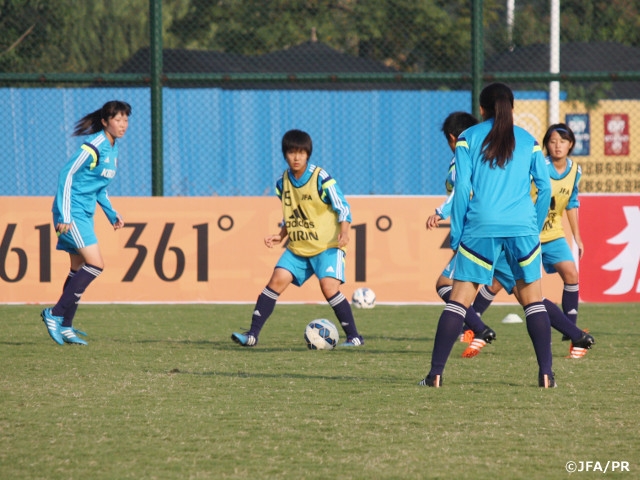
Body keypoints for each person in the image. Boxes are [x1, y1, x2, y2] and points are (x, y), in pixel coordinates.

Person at [419, 82, 556, 388]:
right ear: (512, 107)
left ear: (481, 110)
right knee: (532, 302)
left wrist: (457, 234)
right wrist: (533, 225)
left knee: (458, 301)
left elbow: (462, 188)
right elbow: (545, 187)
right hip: (522, 229)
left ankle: (435, 375)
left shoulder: (468, 138)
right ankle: (546, 374)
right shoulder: (529, 141)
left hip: (481, 226)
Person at [231, 129, 364, 347]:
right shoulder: (281, 183)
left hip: (327, 245)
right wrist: (281, 234)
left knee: (329, 287)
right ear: (285, 154)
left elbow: (343, 206)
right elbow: (293, 213)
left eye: (301, 153)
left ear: (308, 154)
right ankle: (252, 335)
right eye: (292, 152)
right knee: (276, 280)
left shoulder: (320, 177)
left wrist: (345, 231)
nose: (296, 157)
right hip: (298, 248)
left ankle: (354, 337)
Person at [470, 124, 588, 351]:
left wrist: (578, 237)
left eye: (562, 141)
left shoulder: (576, 171)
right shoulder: (538, 165)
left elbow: (572, 203)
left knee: (571, 273)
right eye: (552, 141)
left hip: (553, 235)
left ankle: (571, 332)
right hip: (524, 235)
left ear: (571, 144)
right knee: (498, 283)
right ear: (546, 144)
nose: (557, 146)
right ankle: (472, 323)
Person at [41, 101, 131, 346]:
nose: (123, 125)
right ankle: (55, 313)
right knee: (96, 265)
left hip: (84, 214)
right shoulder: (94, 146)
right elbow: (66, 175)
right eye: (118, 120)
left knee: (77, 269)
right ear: (105, 121)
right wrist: (65, 215)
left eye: (125, 120)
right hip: (72, 214)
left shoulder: (113, 149)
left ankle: (67, 327)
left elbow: (98, 187)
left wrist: (111, 213)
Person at [425, 112, 499, 358]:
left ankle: (478, 328)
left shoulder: (461, 158)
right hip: (497, 229)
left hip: (474, 234)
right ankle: (575, 335)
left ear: (451, 138)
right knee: (523, 292)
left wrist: (440, 212)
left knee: (445, 285)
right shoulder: (486, 158)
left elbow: (459, 191)